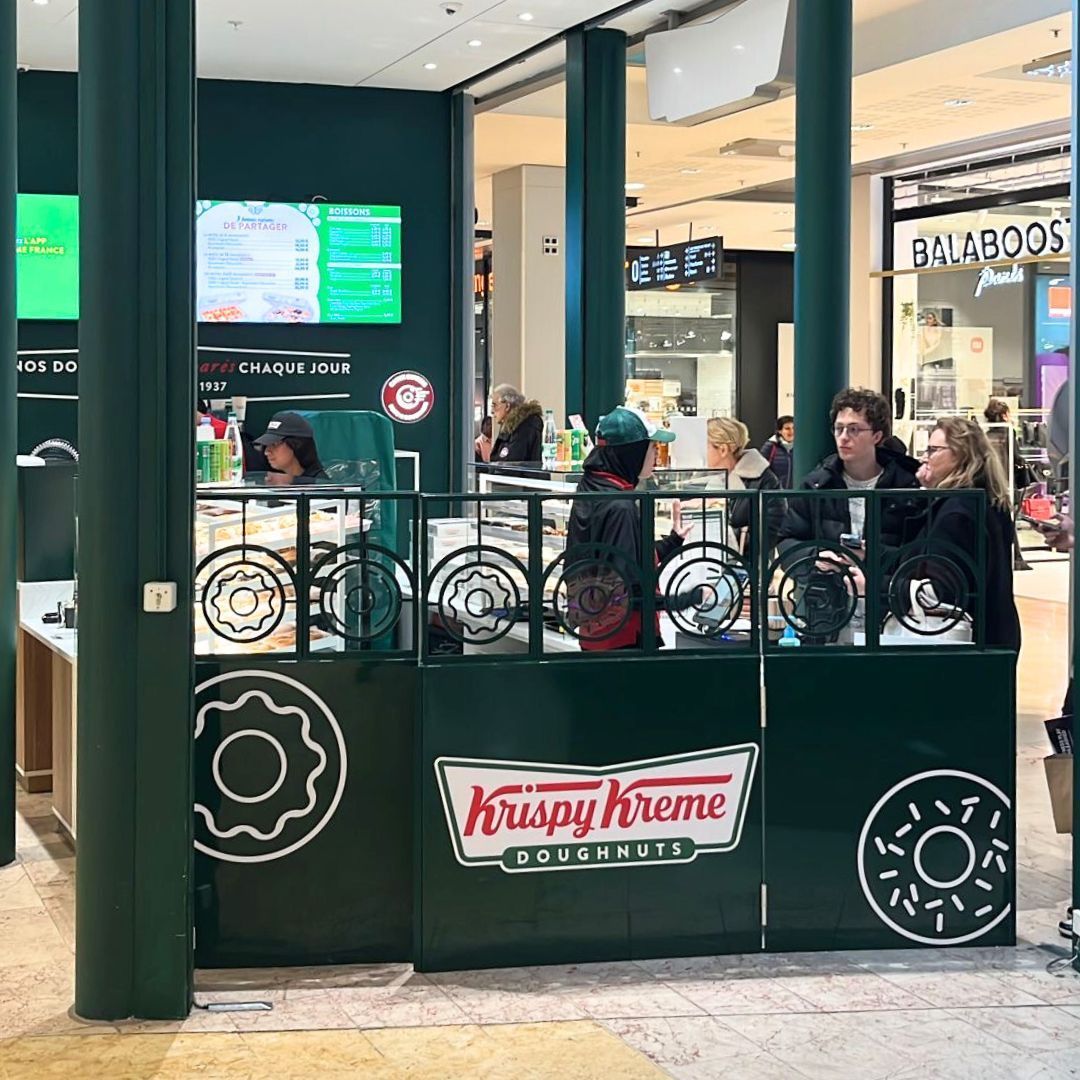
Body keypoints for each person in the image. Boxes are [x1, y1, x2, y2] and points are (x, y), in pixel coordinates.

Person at [566, 406, 688, 651]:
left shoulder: (593, 486)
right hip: (623, 635)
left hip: (595, 626)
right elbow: (626, 584)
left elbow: (619, 556)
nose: (656, 455)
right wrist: (682, 601)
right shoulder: (621, 505)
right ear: (632, 452)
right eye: (652, 447)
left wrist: (672, 541)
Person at [912, 417, 1020, 652]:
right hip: (996, 634)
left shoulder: (957, 513)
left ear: (960, 455)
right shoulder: (987, 501)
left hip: (967, 641)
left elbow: (940, 591)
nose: (924, 457)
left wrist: (878, 585)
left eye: (933, 450)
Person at [777, 387, 920, 551]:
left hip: (885, 576)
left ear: (877, 436)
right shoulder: (816, 485)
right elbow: (788, 541)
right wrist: (815, 558)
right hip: (829, 575)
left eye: (854, 429)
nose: (843, 437)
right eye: (839, 429)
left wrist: (873, 557)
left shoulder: (907, 487)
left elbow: (918, 553)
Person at [706, 417, 783, 552]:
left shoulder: (764, 480)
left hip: (745, 568)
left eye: (704, 446)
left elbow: (768, 534)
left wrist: (718, 535)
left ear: (723, 449)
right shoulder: (702, 478)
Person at [984, 398, 1033, 571]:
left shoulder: (986, 435)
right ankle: (1016, 557)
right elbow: (1016, 457)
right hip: (1007, 482)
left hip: (993, 481)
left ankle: (1014, 556)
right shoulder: (1008, 433)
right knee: (1009, 519)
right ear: (1004, 415)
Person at [254, 411, 328, 482]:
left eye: (274, 444)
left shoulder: (321, 486)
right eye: (267, 445)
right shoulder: (272, 480)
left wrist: (291, 482)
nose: (266, 452)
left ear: (297, 445)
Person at [487, 385, 543, 464]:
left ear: (507, 406)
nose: (492, 411)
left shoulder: (526, 426)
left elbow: (511, 463)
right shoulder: (510, 427)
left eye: (494, 405)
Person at [760, 415, 795, 488]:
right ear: (780, 431)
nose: (791, 431)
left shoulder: (801, 447)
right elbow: (761, 468)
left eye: (793, 428)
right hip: (775, 493)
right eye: (787, 428)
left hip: (796, 494)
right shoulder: (771, 446)